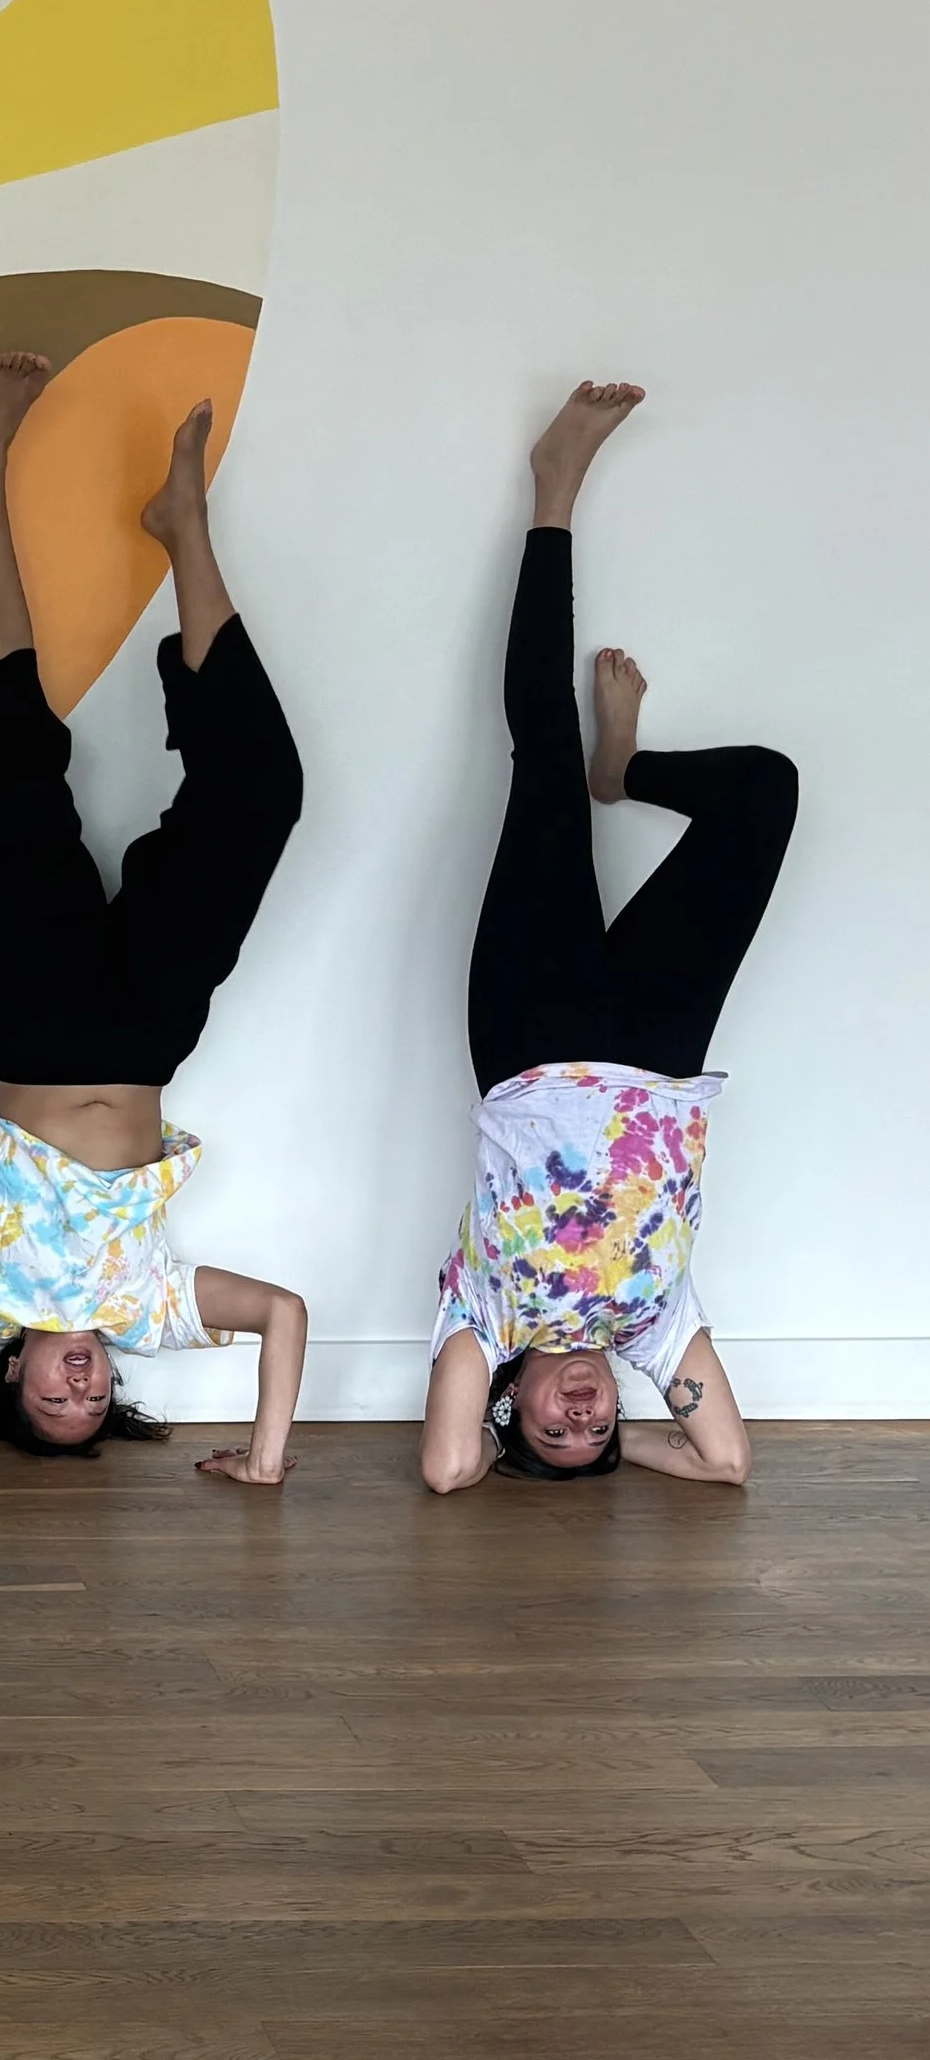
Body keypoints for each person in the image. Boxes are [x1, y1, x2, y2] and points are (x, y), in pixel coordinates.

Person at [0, 354, 310, 1488]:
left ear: (11, 1376)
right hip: (153, 1030)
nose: (79, 1388)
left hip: (37, 1024)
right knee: (258, 793)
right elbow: (283, 1312)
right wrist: (266, 1457)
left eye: (53, 1402)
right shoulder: (149, 1306)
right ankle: (183, 529)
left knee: (11, 762)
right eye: (95, 1402)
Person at [421, 383, 797, 1493]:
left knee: (539, 762)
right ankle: (623, 769)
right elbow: (725, 1465)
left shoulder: (483, 1318)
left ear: (509, 1405)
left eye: (553, 1432)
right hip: (660, 1053)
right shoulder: (652, 1331)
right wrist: (640, 1439)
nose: (580, 1420)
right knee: (763, 792)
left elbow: (445, 1475)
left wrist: (490, 1427)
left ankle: (554, 494)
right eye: (593, 1436)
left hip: (530, 1045)